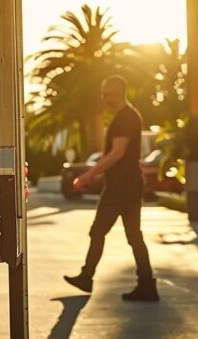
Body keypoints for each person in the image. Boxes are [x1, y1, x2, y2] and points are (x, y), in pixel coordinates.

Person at [63, 75, 159, 301]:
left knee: (99, 231)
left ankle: (88, 277)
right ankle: (146, 285)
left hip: (121, 187)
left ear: (118, 93)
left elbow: (117, 153)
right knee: (134, 236)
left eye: (107, 94)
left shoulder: (125, 118)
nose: (104, 98)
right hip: (128, 184)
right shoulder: (127, 116)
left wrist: (88, 175)